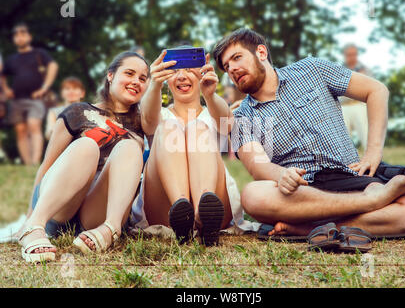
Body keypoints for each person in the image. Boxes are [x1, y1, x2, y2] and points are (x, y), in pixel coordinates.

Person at [212, 28, 405, 238]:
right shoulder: (242, 115)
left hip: (349, 176)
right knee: (253, 195)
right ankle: (373, 203)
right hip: (302, 193)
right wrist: (281, 175)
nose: (231, 69)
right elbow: (257, 165)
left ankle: (308, 228)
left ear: (260, 52)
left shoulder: (312, 70)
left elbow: (376, 90)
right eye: (226, 67)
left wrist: (372, 152)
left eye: (236, 58)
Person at [16, 51, 150, 263]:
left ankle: (111, 230)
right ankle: (34, 227)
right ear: (111, 75)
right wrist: (29, 216)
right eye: (130, 73)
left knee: (130, 147)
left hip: (98, 214)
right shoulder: (78, 112)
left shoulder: (145, 124)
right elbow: (47, 166)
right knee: (88, 145)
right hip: (61, 206)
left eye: (143, 78)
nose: (136, 81)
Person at [130, 47, 259, 246]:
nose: (182, 76)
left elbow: (228, 124)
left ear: (202, 72)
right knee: (170, 128)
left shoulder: (212, 111)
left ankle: (203, 214)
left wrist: (210, 94)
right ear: (166, 79)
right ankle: (181, 211)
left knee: (197, 127)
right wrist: (154, 85)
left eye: (190, 70)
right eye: (175, 71)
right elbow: (147, 122)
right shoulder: (160, 114)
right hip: (163, 208)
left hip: (215, 196)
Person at [1, 23, 59, 165]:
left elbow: (53, 66)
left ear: (29, 36)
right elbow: (2, 75)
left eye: (22, 34)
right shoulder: (12, 59)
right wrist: (6, 89)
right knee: (20, 130)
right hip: (17, 99)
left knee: (34, 124)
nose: (19, 38)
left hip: (36, 97)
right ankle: (27, 163)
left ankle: (35, 161)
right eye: (16, 35)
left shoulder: (39, 54)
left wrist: (45, 87)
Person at [340, 43, 371, 150]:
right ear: (345, 55)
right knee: (344, 138)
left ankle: (374, 161)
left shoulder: (365, 70)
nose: (352, 57)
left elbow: (368, 89)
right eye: (349, 55)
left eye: (354, 54)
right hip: (343, 107)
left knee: (366, 135)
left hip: (359, 105)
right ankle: (346, 164)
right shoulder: (339, 69)